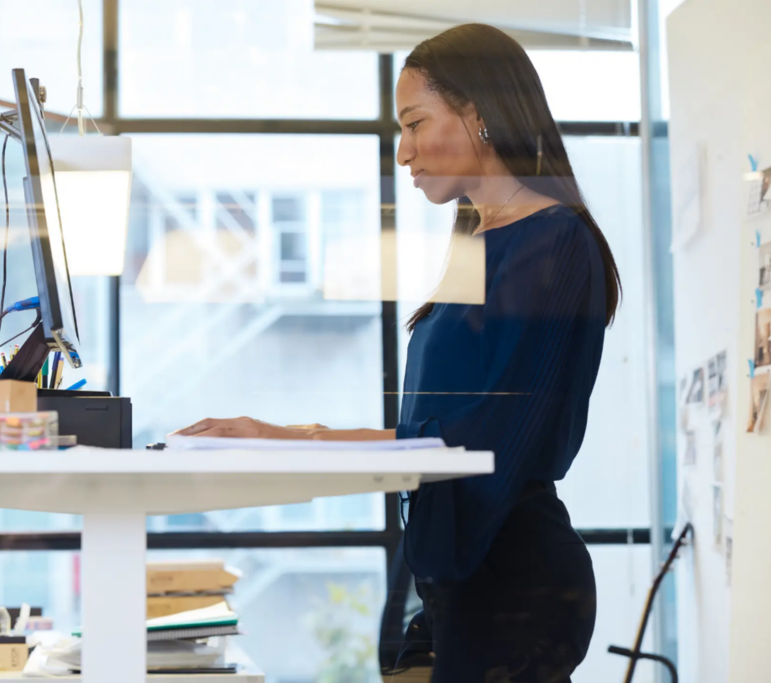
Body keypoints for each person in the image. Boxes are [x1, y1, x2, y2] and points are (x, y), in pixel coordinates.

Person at [174, 23, 620, 682]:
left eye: (415, 123)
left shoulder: (552, 243)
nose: (404, 151)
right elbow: (441, 437)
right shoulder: (478, 243)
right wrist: (297, 436)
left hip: (511, 585)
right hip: (447, 576)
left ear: (478, 115)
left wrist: (298, 439)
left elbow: (479, 444)